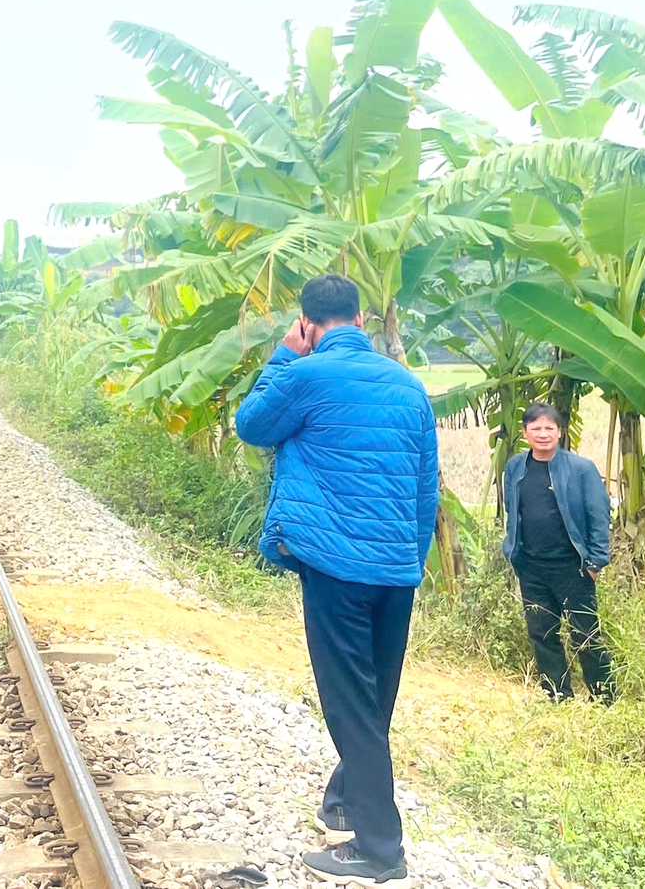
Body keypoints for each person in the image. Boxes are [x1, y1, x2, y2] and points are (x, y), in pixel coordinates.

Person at [234, 273, 437, 888]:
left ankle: (379, 850)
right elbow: (427, 486)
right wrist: (411, 557)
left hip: (335, 565)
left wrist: (280, 356)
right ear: (363, 317)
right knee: (374, 697)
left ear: (308, 324)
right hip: (397, 568)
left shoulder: (304, 374)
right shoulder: (409, 386)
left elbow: (251, 425)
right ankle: (344, 801)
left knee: (350, 703)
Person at [502, 402, 614, 702]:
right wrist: (513, 553)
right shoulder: (515, 467)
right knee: (542, 632)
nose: (542, 434)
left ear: (559, 432)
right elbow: (512, 510)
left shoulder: (581, 469)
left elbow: (599, 515)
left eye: (549, 428)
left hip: (573, 568)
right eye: (535, 428)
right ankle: (557, 694)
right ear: (525, 433)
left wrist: (595, 562)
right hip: (531, 567)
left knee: (585, 634)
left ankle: (604, 696)